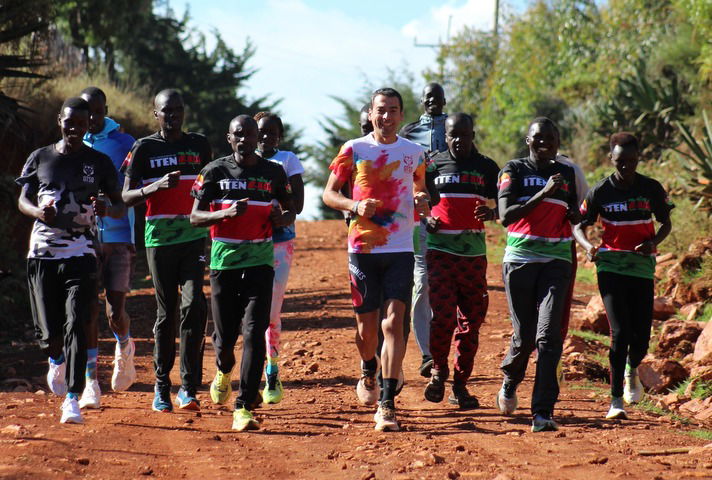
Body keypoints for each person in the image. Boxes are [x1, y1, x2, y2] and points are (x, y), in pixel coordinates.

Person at [323, 87, 430, 432]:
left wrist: (422, 199)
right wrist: (354, 206)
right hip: (363, 249)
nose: (387, 117)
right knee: (367, 332)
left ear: (401, 115)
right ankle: (368, 366)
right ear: (370, 114)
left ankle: (387, 404)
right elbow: (329, 194)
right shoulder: (354, 149)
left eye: (394, 111)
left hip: (400, 248)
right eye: (381, 110)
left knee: (393, 324)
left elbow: (419, 189)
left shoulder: (415, 153)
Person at [16, 97, 125, 423]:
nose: (75, 128)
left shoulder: (99, 162)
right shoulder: (41, 157)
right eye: (69, 122)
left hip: (82, 253)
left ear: (89, 123)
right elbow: (22, 198)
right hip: (43, 254)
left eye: (82, 122)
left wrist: (108, 208)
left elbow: (119, 204)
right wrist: (38, 211)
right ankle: (56, 361)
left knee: (78, 322)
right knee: (50, 333)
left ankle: (74, 398)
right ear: (59, 122)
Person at [191, 114, 295, 431]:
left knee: (254, 332)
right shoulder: (213, 171)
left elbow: (291, 209)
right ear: (229, 138)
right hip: (224, 262)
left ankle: (244, 406)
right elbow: (194, 217)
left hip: (261, 261)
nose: (246, 140)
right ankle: (223, 370)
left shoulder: (274, 173)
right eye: (239, 134)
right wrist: (225, 212)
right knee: (225, 339)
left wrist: (281, 218)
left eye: (251, 135)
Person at [121, 89, 210, 413]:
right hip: (159, 240)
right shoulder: (143, 148)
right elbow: (125, 196)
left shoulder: (199, 146)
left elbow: (210, 188)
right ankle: (161, 387)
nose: (172, 116)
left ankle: (188, 388)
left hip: (192, 239)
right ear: (155, 114)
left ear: (183, 113)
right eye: (165, 111)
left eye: (177, 111)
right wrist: (154, 187)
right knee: (167, 311)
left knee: (193, 304)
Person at [574, 133, 673, 419]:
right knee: (619, 333)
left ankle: (632, 370)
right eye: (620, 161)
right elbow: (579, 225)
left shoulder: (650, 188)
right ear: (611, 159)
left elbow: (666, 222)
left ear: (638, 158)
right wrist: (589, 246)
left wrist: (654, 242)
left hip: (642, 267)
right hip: (611, 267)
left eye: (631, 161)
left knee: (641, 337)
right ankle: (615, 400)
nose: (626, 167)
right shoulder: (600, 191)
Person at [495, 117, 580, 432]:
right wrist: (544, 193)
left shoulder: (567, 173)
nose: (544, 142)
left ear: (558, 142)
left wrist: (574, 214)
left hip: (556, 262)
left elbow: (573, 211)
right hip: (520, 261)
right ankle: (510, 378)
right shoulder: (513, 170)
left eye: (550, 138)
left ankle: (542, 413)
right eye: (538, 137)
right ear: (527, 140)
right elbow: (505, 216)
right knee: (525, 335)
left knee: (549, 337)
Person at [423, 113, 499, 409]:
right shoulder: (432, 163)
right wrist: (425, 218)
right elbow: (416, 198)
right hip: (440, 254)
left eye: (463, 135)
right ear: (446, 135)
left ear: (472, 135)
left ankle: (460, 385)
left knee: (471, 323)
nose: (458, 141)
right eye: (453, 135)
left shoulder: (486, 167)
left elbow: (504, 205)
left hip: (473, 257)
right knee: (442, 317)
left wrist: (493, 214)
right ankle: (438, 371)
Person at [76, 86, 137, 410]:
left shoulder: (125, 143)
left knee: (115, 313)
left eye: (98, 112)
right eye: (88, 114)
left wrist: (116, 213)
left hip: (117, 237)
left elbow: (131, 194)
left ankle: (125, 347)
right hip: (81, 238)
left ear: (106, 110)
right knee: (87, 311)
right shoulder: (73, 143)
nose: (93, 119)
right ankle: (90, 384)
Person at [253, 111, 304, 404]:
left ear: (279, 136)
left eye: (272, 132)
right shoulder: (243, 161)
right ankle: (245, 371)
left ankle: (271, 368)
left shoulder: (288, 160)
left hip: (279, 243)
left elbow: (297, 204)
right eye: (261, 131)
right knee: (248, 311)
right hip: (247, 242)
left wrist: (281, 218)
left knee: (271, 311)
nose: (265, 137)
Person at [399, 82, 448, 377]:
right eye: (428, 96)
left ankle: (447, 350)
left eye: (438, 96)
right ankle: (427, 353)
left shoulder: (456, 127)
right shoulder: (409, 133)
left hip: (452, 219)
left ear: (444, 100)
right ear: (422, 101)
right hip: (419, 217)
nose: (433, 100)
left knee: (448, 284)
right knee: (422, 281)